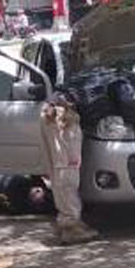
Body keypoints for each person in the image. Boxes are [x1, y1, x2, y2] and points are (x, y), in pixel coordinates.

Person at [39, 96, 98, 245]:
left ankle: (66, 226)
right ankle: (71, 229)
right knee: (69, 192)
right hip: (67, 166)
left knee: (62, 193)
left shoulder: (46, 119)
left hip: (57, 166)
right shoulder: (68, 120)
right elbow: (71, 147)